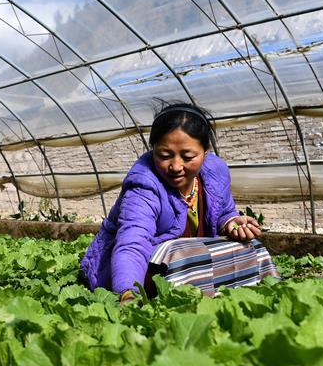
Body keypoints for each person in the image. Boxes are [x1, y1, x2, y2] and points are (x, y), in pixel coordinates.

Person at [81, 101, 278, 302]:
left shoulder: (215, 172)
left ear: (205, 153)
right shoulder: (144, 186)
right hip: (138, 269)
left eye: (188, 156)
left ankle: (217, 291)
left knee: (250, 246)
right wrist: (128, 292)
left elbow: (224, 212)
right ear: (153, 150)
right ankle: (185, 299)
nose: (176, 166)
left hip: (193, 261)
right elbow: (133, 243)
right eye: (164, 155)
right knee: (180, 253)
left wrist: (231, 223)